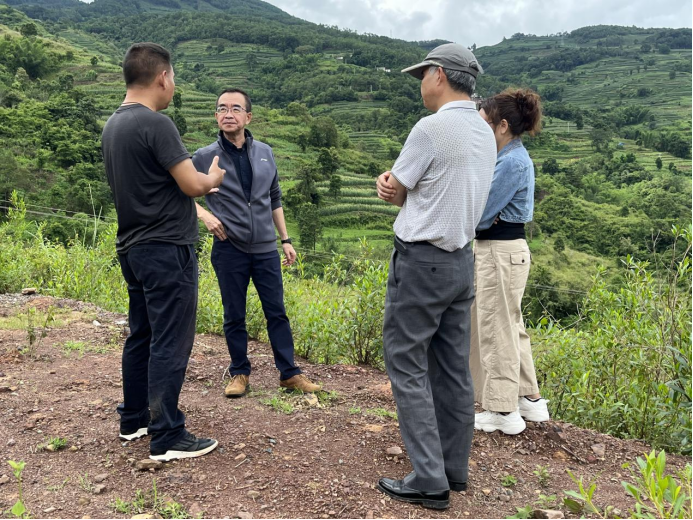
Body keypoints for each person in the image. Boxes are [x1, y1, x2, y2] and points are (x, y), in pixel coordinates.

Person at [374, 44, 496, 510]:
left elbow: (397, 190)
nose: (421, 82)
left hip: (422, 262)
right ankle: (453, 468)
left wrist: (388, 185)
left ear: (439, 74)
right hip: (461, 262)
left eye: (423, 73)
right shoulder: (484, 132)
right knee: (452, 369)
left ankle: (428, 480)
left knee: (406, 364)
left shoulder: (431, 128)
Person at [102, 42, 225, 461]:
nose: (173, 84)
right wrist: (213, 178)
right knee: (170, 339)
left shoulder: (113, 125)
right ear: (162, 77)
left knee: (142, 334)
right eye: (173, 77)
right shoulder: (156, 124)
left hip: (132, 247)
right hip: (166, 247)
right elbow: (192, 185)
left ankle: (134, 419)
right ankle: (167, 435)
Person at [192, 88, 322, 398]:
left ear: (248, 117)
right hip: (229, 247)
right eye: (222, 108)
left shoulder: (265, 151)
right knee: (233, 313)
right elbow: (178, 193)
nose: (228, 114)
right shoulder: (204, 156)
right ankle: (239, 373)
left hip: (265, 247)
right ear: (215, 116)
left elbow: (274, 197)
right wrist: (205, 216)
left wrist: (285, 239)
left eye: (236, 109)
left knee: (276, 310)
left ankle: (289, 373)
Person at [470, 89, 550, 436]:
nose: (482, 128)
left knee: (495, 327)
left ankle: (501, 410)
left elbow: (483, 214)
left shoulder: (511, 162)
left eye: (486, 123)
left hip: (498, 252)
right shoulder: (513, 157)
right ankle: (528, 399)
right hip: (508, 250)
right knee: (511, 324)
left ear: (502, 125)